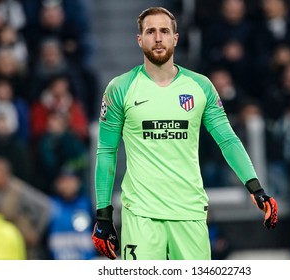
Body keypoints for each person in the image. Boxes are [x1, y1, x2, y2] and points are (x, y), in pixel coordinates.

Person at [91, 6, 278, 261]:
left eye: (165, 31)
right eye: (151, 31)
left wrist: (255, 188)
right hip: (141, 214)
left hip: (190, 211)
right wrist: (103, 214)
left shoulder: (201, 86)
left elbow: (227, 140)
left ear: (175, 38)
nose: (158, 38)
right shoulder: (119, 89)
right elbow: (106, 152)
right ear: (139, 39)